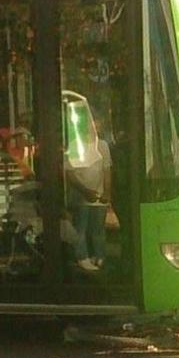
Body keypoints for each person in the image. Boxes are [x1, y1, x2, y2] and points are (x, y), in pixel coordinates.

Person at [64, 116, 112, 272]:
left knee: (98, 229)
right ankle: (82, 257)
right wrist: (85, 191)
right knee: (81, 228)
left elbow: (107, 170)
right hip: (81, 196)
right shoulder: (73, 146)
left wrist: (107, 192)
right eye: (92, 127)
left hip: (99, 196)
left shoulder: (103, 146)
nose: (95, 130)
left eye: (97, 127)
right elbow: (70, 174)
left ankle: (99, 256)